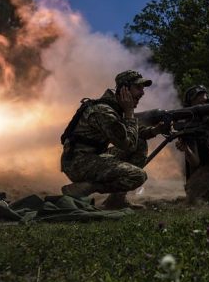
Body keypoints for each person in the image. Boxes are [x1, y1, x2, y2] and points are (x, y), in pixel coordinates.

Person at [60, 70, 167, 209]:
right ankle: (87, 187)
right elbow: (128, 144)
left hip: (92, 157)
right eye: (138, 88)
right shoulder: (104, 111)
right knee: (137, 176)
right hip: (78, 163)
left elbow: (133, 134)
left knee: (140, 143)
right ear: (124, 89)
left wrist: (155, 130)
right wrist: (129, 113)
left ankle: (116, 200)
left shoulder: (115, 108)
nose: (142, 93)